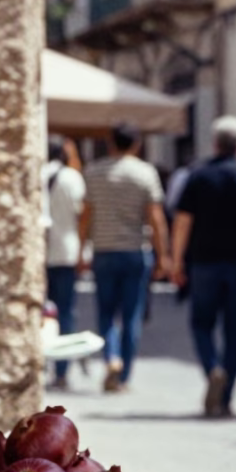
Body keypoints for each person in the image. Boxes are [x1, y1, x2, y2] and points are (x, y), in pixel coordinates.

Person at [171, 116, 236, 418]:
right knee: (234, 331)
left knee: (201, 324)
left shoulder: (198, 176)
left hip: (204, 264)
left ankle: (212, 369)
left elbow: (182, 223)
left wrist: (176, 261)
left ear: (215, 143)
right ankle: (226, 397)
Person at [79, 122, 170, 392]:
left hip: (103, 251)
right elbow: (156, 218)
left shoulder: (93, 172)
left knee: (106, 313)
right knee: (131, 315)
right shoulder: (145, 173)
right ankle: (125, 375)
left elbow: (85, 215)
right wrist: (164, 255)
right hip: (134, 252)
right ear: (137, 144)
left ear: (110, 143)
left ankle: (111, 358)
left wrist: (81, 250)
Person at [44, 135, 86, 390]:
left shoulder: (37, 173)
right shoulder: (72, 177)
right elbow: (82, 214)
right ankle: (61, 370)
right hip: (66, 253)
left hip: (40, 255)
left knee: (40, 314)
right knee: (65, 312)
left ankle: (42, 365)